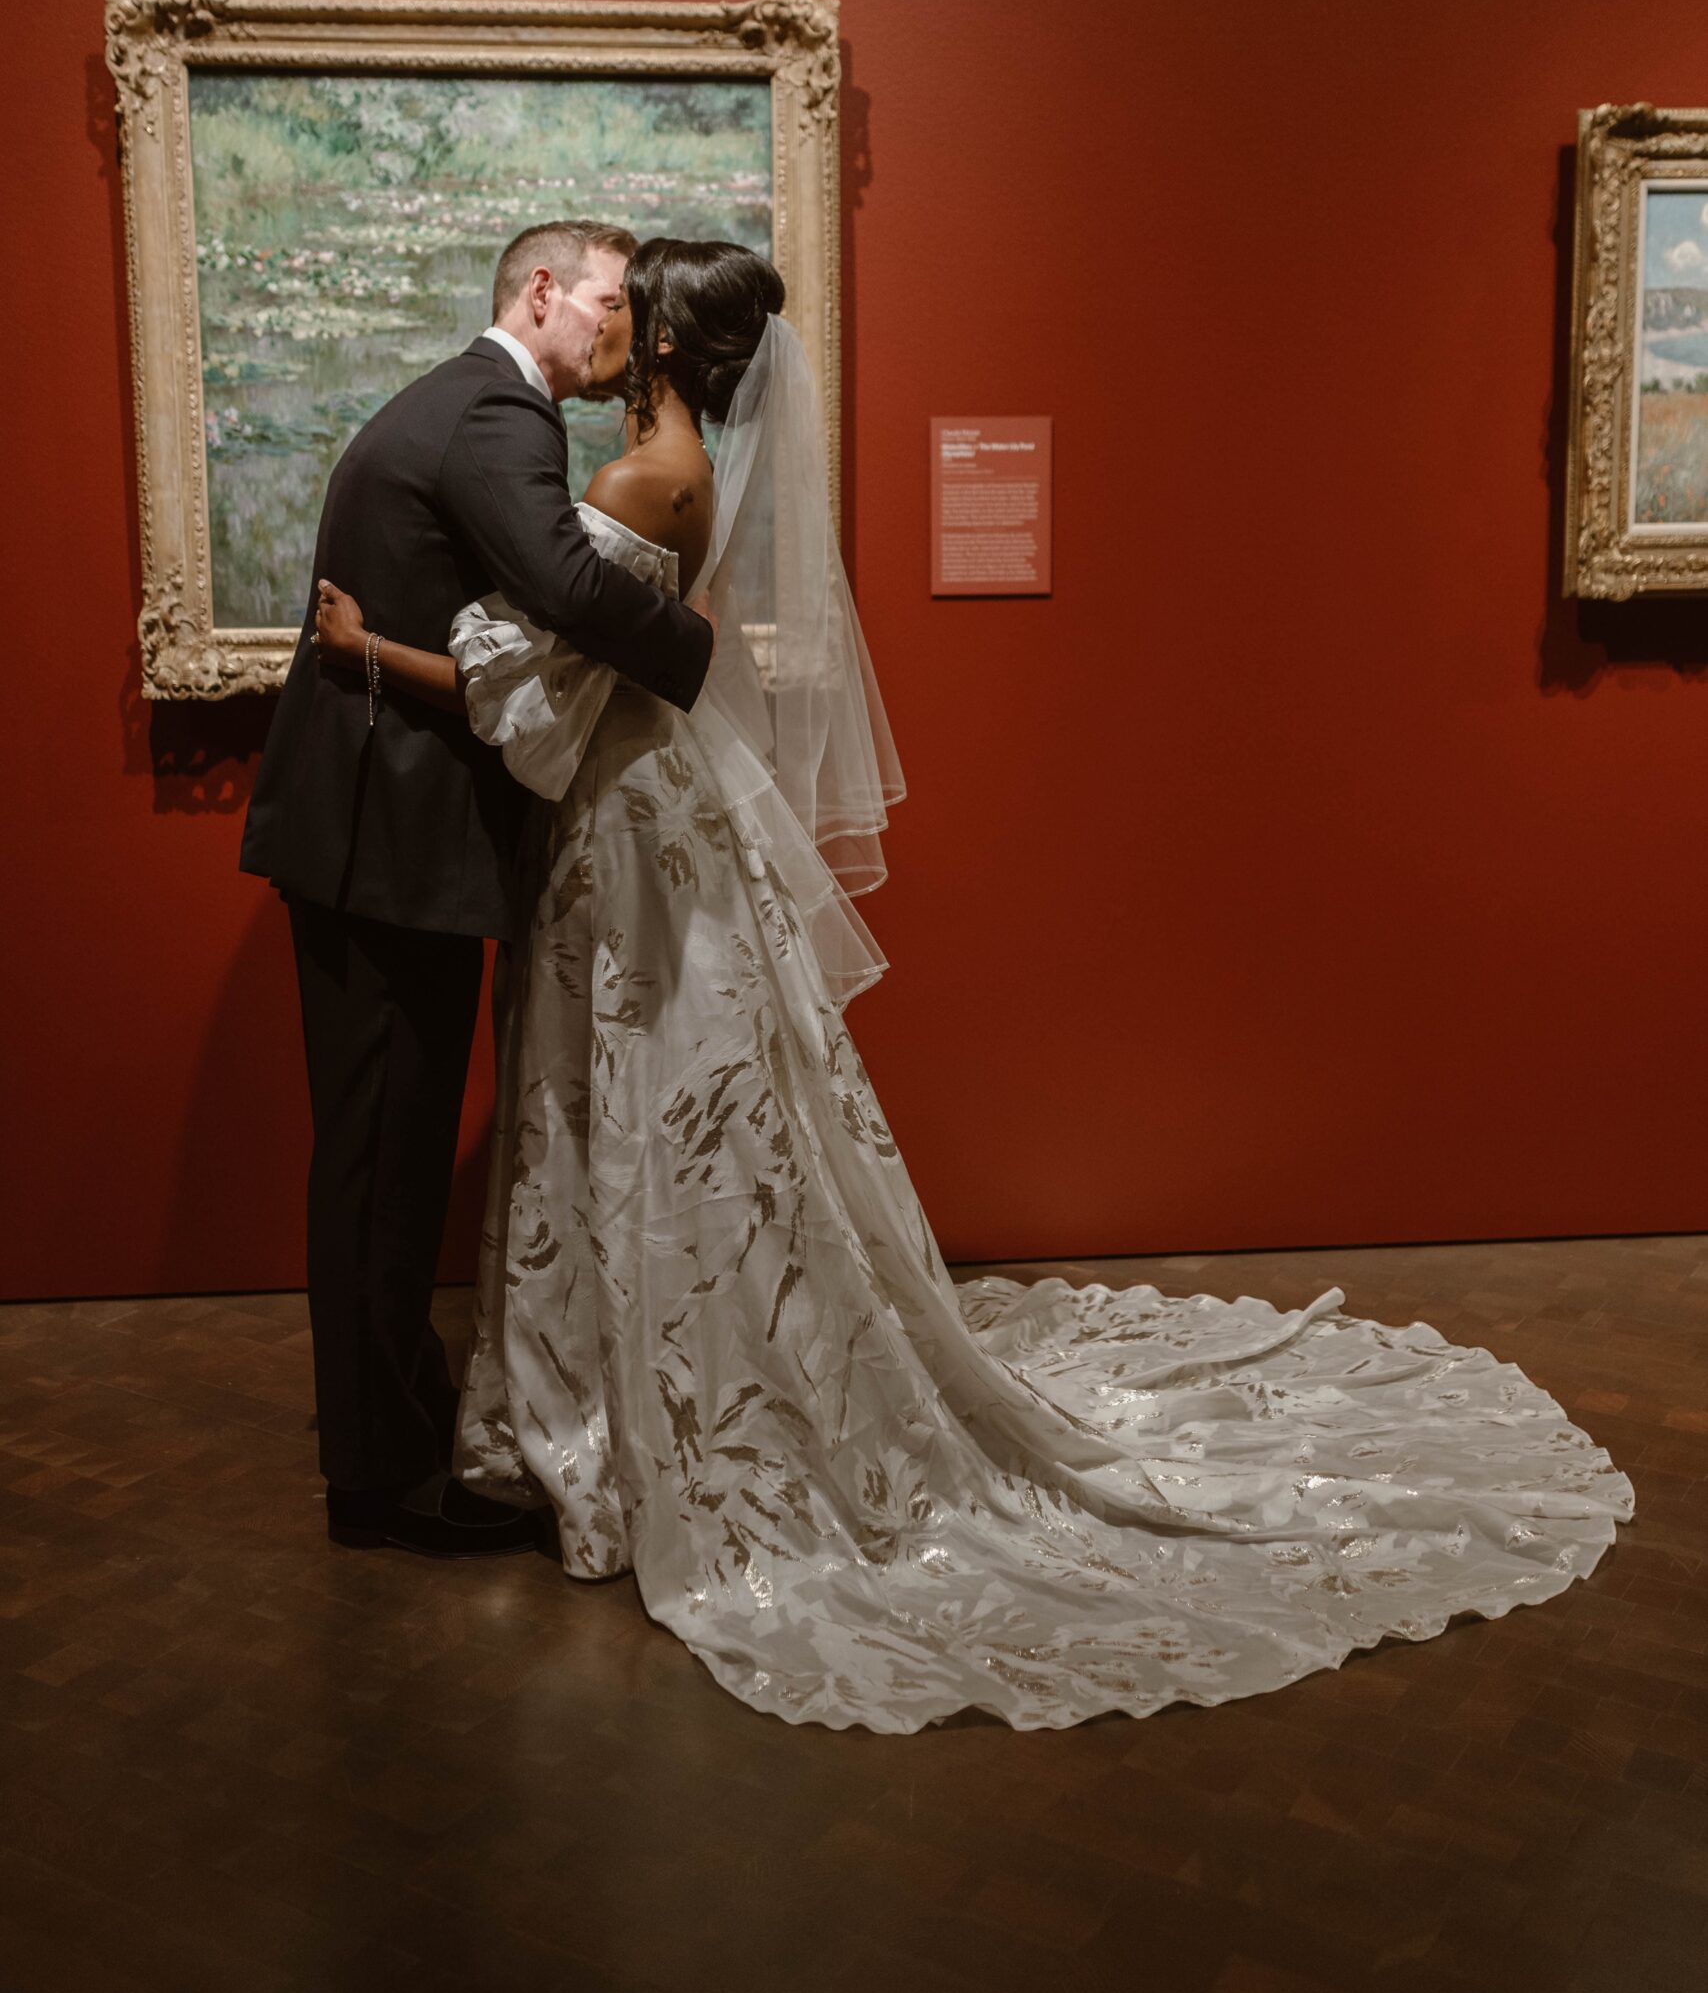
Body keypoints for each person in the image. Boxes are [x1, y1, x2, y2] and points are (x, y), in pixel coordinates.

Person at [313, 238, 1634, 1731]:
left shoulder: (633, 483)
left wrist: (393, 652)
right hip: (659, 821)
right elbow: (624, 663)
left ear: (669, 353)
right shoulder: (682, 472)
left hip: (620, 836)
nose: (610, 332)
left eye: (631, 312)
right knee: (703, 1121)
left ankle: (641, 1417)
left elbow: (539, 721)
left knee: (639, 1108)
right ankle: (682, 1385)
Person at [241, 220, 715, 1558]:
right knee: (383, 1162)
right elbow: (566, 584)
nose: (623, 333)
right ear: (542, 292)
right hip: (388, 854)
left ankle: (384, 1433)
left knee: (376, 1158)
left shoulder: (454, 400)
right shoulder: (500, 416)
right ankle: (383, 1483)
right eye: (611, 305)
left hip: (370, 842)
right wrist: (699, 651)